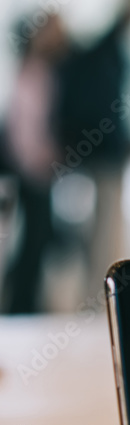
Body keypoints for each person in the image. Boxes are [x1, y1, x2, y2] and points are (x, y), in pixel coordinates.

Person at [56, 0, 130, 292]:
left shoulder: (91, 55)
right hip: (104, 154)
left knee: (100, 227)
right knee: (104, 229)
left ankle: (95, 289)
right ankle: (98, 291)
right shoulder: (102, 54)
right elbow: (105, 108)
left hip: (97, 152)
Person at [1, 14, 67, 314]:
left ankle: (26, 302)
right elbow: (25, 129)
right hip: (32, 172)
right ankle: (21, 304)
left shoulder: (46, 70)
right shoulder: (32, 72)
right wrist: (40, 162)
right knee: (32, 241)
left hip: (36, 170)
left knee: (37, 241)